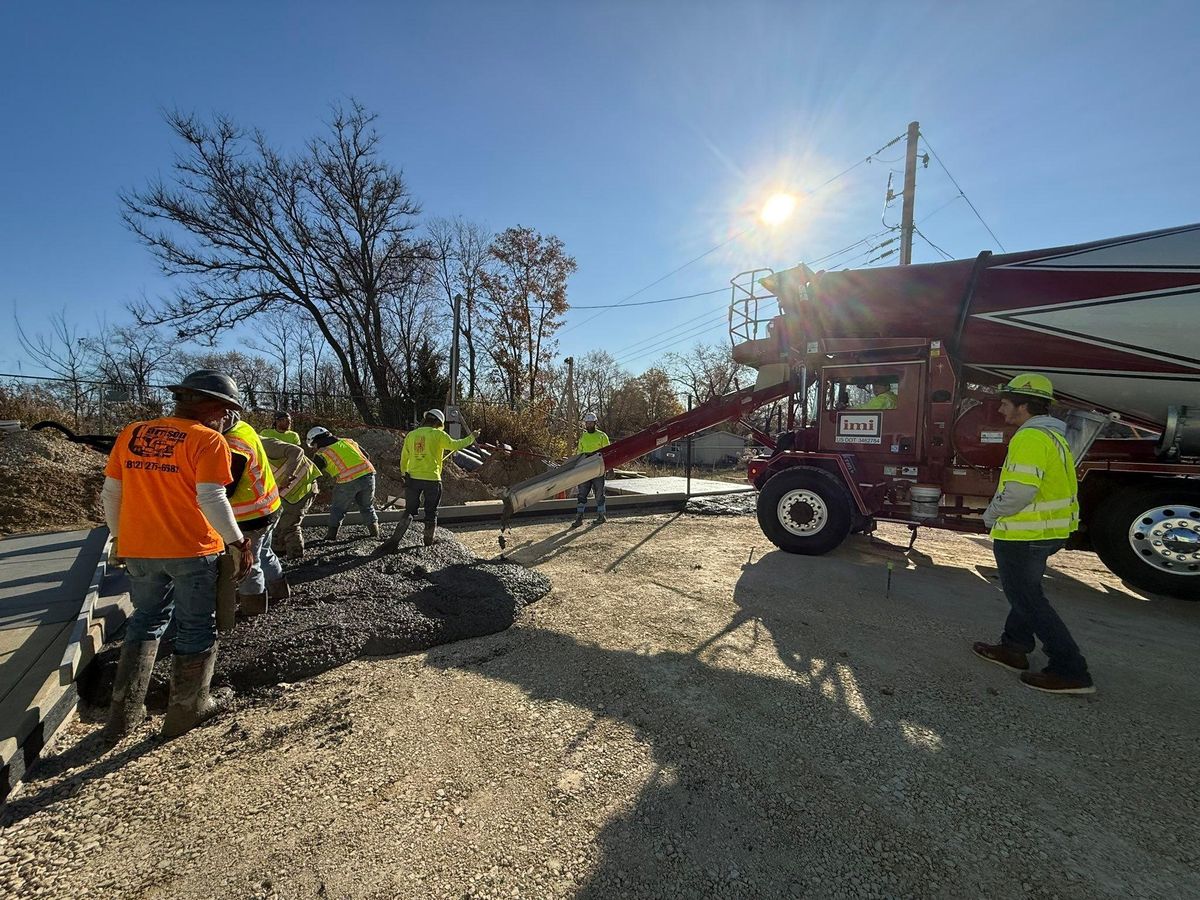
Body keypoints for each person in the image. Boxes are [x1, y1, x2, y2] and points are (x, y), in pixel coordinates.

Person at [101, 369, 253, 739]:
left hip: (140, 548)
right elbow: (211, 497)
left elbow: (111, 493)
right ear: (210, 404)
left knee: (145, 619)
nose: (223, 416)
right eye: (222, 408)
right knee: (196, 624)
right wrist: (237, 542)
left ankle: (124, 713)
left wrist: (120, 537)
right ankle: (188, 709)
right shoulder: (207, 440)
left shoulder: (133, 433)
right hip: (190, 548)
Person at [972, 373, 1094, 694]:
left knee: (1026, 598)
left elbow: (1018, 493)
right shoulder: (1054, 436)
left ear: (1024, 406)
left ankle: (1070, 669)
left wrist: (990, 514)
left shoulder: (1030, 439)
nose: (1000, 410)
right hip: (1048, 532)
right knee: (1026, 593)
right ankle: (1014, 647)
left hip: (1025, 535)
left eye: (1006, 403)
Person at [381, 409, 477, 550]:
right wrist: (472, 437)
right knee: (431, 512)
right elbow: (456, 445)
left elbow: (404, 457)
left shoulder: (411, 435)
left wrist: (404, 474)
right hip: (432, 480)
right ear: (438, 423)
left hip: (413, 478)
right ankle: (428, 541)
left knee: (409, 511)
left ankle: (394, 541)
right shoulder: (438, 434)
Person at [223, 411, 288, 615]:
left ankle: (253, 606)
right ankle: (279, 589)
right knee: (264, 552)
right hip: (268, 507)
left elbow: (225, 488)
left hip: (249, 517)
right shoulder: (243, 427)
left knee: (247, 564)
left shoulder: (232, 443)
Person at [308, 426, 379, 540]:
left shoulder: (321, 453)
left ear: (315, 441)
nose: (314, 448)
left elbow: (312, 473)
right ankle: (375, 533)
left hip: (347, 480)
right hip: (368, 475)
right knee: (367, 506)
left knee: (338, 508)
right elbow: (366, 456)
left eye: (313, 445)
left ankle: (331, 536)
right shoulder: (348, 441)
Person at [264, 436, 320, 560]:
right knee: (279, 524)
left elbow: (296, 451)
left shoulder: (262, 443)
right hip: (286, 491)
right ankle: (279, 553)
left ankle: (296, 559)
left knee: (289, 526)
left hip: (301, 486)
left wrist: (288, 476)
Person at [572, 411, 611, 528]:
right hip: (585, 469)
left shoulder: (602, 436)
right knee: (582, 494)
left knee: (599, 493)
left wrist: (610, 468)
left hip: (598, 469)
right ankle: (579, 517)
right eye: (587, 423)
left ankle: (601, 515)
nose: (588, 425)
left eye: (591, 423)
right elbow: (579, 452)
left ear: (595, 423)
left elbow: (608, 452)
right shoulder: (583, 436)